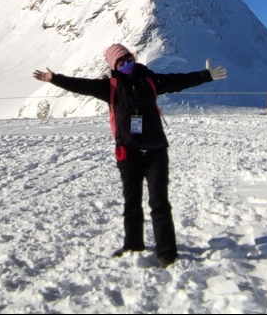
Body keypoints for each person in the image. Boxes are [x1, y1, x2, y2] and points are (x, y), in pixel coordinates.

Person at [33, 43, 227, 268]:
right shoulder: (110, 86)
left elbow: (178, 81)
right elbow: (81, 85)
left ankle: (167, 253)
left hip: (155, 150)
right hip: (128, 152)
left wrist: (206, 75)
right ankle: (133, 246)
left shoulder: (150, 79)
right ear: (114, 66)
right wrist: (54, 78)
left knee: (159, 202)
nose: (127, 64)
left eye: (128, 59)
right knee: (132, 202)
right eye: (121, 62)